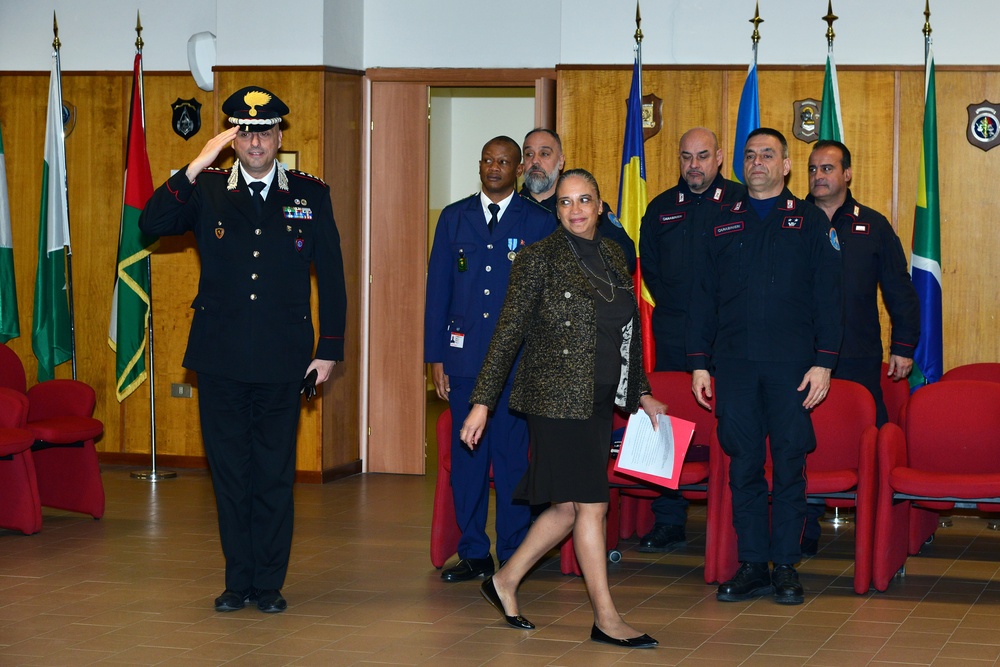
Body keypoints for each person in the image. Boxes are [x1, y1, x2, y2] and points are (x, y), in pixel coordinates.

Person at [139, 86, 347, 614]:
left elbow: (335, 278)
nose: (257, 141)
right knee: (230, 474)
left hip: (284, 359)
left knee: (274, 474)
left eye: (266, 131)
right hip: (221, 358)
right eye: (246, 132)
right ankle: (238, 582)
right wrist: (194, 163)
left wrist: (329, 351)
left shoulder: (310, 193)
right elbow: (151, 224)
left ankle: (270, 583)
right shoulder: (206, 189)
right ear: (233, 139)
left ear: (280, 136)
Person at [461, 169, 664, 648]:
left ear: (600, 207)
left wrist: (640, 392)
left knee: (568, 508)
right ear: (558, 210)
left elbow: (626, 336)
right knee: (592, 504)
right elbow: (507, 332)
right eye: (567, 202)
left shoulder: (615, 255)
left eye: (585, 200)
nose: (575, 210)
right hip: (554, 398)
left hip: (597, 399)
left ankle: (505, 580)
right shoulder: (538, 259)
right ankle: (607, 619)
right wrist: (482, 403)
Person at [687, 128, 843, 605]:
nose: (758, 162)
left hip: (793, 368)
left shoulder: (811, 222)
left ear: (786, 164)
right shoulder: (719, 220)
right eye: (750, 155)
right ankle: (753, 564)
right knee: (744, 467)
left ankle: (787, 567)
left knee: (791, 466)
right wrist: (699, 363)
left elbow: (829, 298)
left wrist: (824, 363)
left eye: (768, 155)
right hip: (734, 367)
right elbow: (702, 298)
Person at [424, 136, 553, 583]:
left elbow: (545, 299)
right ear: (479, 166)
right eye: (487, 160)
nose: (494, 167)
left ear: (518, 169)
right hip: (464, 361)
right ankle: (474, 550)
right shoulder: (454, 217)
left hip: (517, 366)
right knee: (468, 461)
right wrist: (434, 356)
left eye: (503, 161)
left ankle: (515, 552)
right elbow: (437, 290)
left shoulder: (537, 221)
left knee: (513, 458)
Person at [802, 139, 920, 555]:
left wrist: (903, 345)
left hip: (858, 353)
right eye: (814, 169)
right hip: (801, 355)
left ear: (847, 174)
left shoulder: (872, 224)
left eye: (828, 168)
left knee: (866, 438)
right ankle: (804, 526)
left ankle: (875, 531)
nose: (819, 176)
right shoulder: (791, 220)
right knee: (803, 439)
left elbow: (899, 289)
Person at [635, 127, 746, 552]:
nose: (694, 165)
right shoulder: (662, 207)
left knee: (731, 422)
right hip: (675, 329)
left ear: (719, 157)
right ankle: (669, 518)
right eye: (686, 157)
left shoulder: (740, 202)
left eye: (703, 156)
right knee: (670, 419)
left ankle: (734, 515)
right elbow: (655, 274)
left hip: (729, 332)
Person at [520, 128, 637, 272]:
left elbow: (627, 257)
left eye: (544, 154)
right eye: (529, 154)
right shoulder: (511, 208)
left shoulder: (586, 208)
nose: (535, 161)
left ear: (561, 161)